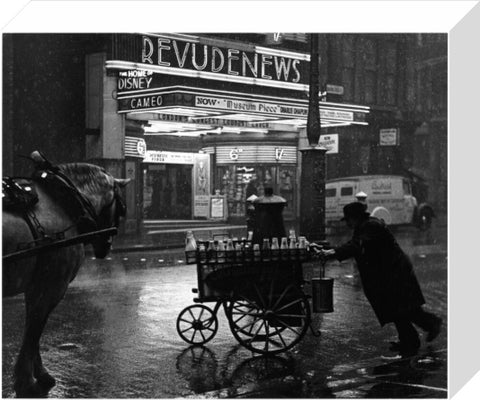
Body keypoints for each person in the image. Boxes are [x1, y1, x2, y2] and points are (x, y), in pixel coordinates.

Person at [314, 202, 442, 358]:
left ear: (355, 218)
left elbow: (356, 246)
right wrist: (333, 251)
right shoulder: (364, 226)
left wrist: (333, 253)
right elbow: (355, 245)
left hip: (395, 272)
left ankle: (424, 330)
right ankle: (413, 337)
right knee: (400, 308)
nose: (347, 223)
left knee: (402, 308)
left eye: (348, 220)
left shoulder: (370, 226)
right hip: (391, 272)